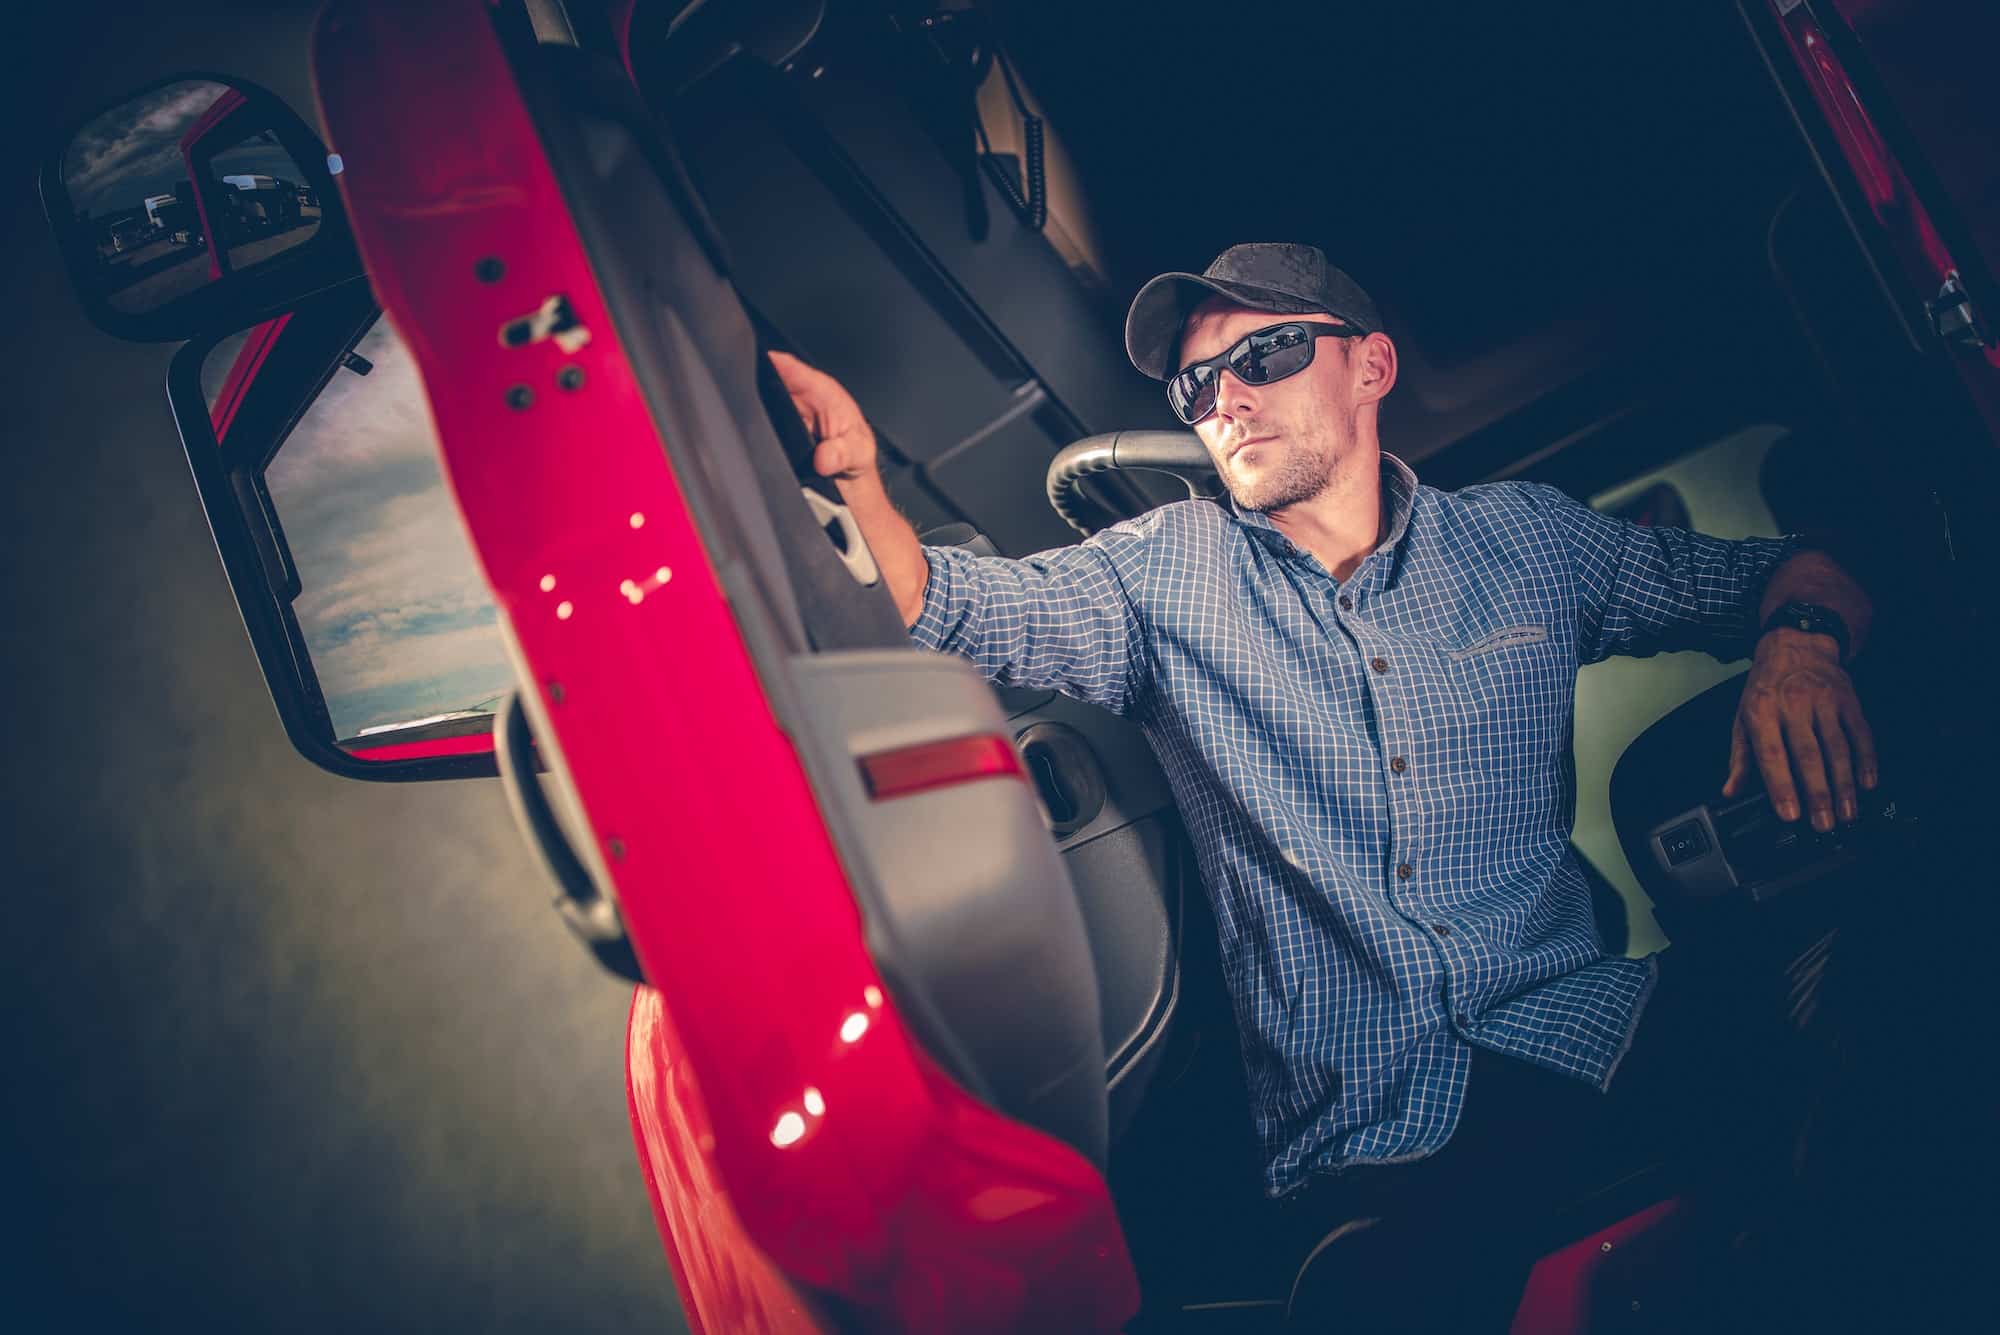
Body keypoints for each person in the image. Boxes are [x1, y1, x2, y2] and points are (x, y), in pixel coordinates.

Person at [771, 243, 1881, 1328]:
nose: (1224, 401)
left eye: (1266, 356)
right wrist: (857, 480)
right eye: (1196, 385)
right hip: (1371, 1131)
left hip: (1587, 1026)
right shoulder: (1165, 569)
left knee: (1874, 1058)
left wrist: (1799, 646)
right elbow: (948, 606)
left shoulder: (1527, 542)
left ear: (1370, 367)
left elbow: (1791, 571)